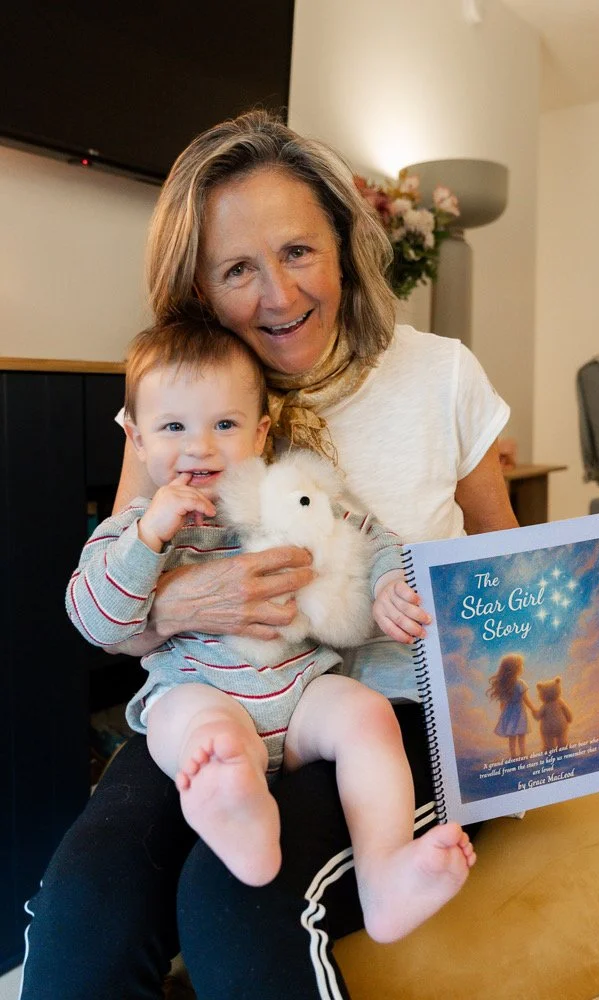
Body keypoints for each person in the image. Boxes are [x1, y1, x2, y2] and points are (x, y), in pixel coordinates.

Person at [20, 111, 599, 1000]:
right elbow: (113, 620)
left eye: (297, 252)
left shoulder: (440, 375)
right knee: (80, 914)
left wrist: (589, 599)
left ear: (343, 246)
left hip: (398, 707)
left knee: (234, 903)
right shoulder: (180, 403)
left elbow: (502, 546)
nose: (278, 296)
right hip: (210, 700)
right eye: (238, 269)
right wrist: (187, 602)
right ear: (200, 288)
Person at [66, 317, 475, 941]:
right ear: (140, 441)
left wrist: (391, 584)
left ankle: (385, 876)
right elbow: (96, 616)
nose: (199, 447)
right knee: (209, 733)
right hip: (196, 691)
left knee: (369, 716)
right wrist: (150, 535)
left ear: (260, 434)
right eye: (173, 427)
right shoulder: (134, 530)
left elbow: (372, 540)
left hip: (300, 688)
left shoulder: (288, 497)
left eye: (224, 425)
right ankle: (238, 810)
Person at [487, 653, 537, 758]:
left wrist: (503, 714)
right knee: (521, 734)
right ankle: (523, 754)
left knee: (512, 736)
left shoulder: (504, 685)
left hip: (509, 712)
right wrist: (533, 709)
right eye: (520, 665)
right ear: (516, 668)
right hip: (519, 711)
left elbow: (502, 703)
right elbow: (526, 700)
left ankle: (513, 755)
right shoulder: (520, 683)